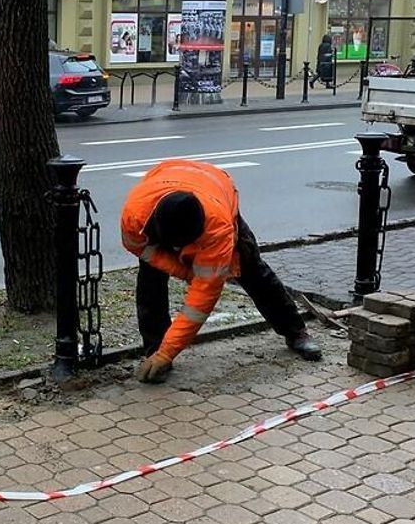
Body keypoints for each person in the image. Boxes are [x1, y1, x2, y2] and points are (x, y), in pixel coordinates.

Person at [120, 160, 321, 384]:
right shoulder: (135, 217)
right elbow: (138, 247)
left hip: (215, 192)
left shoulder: (218, 228)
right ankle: (154, 352)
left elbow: (200, 303)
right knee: (150, 283)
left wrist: (170, 351)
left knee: (252, 270)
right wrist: (185, 273)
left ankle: (295, 332)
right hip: (168, 181)